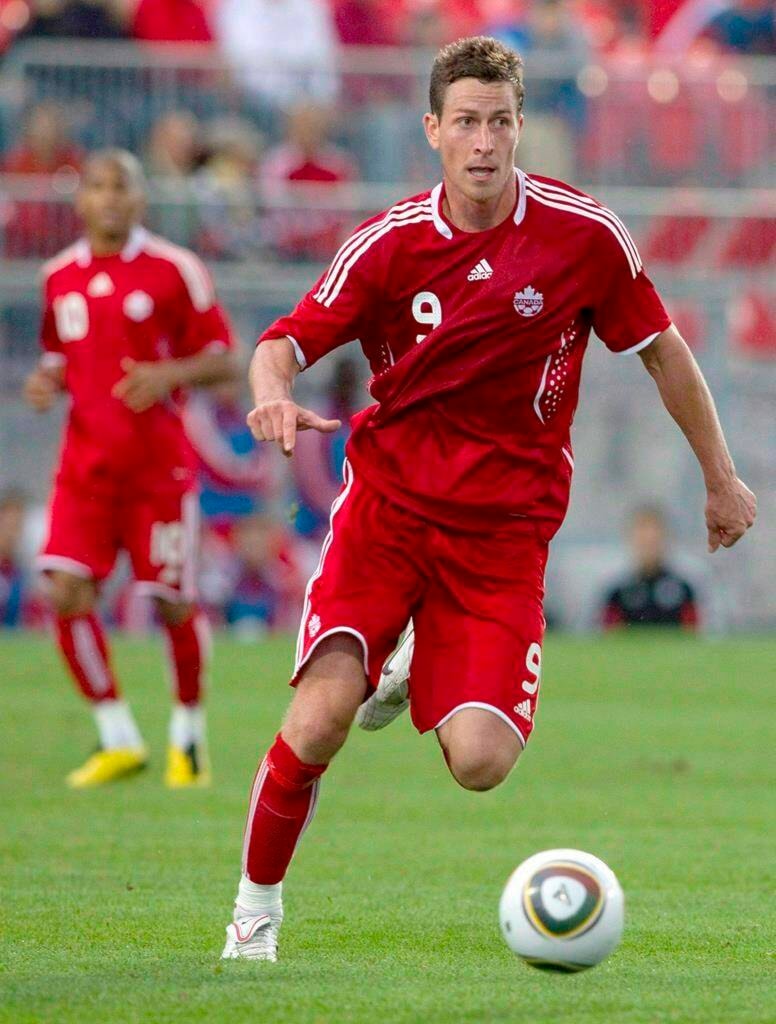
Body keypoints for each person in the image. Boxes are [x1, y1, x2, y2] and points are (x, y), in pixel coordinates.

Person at [221, 36, 756, 961]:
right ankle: (253, 916)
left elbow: (663, 350)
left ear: (520, 127)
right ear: (432, 129)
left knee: (480, 763)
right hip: (388, 516)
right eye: (465, 121)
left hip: (503, 538)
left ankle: (419, 651)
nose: (483, 141)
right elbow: (282, 342)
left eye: (499, 122)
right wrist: (271, 395)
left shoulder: (583, 235)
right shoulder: (388, 245)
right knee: (318, 719)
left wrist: (720, 476)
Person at [23, 149, 237, 789]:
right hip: (85, 469)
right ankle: (117, 736)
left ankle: (188, 737)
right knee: (64, 591)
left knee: (173, 603)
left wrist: (169, 374)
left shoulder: (175, 269)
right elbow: (59, 354)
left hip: (156, 470)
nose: (110, 198)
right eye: (98, 187)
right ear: (81, 200)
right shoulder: (58, 276)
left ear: (141, 198)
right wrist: (45, 381)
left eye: (122, 187)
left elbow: (225, 358)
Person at [601, 505, 699, 630]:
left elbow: (693, 633)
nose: (649, 539)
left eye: (655, 535)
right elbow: (608, 635)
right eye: (643, 536)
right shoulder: (618, 594)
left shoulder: (683, 591)